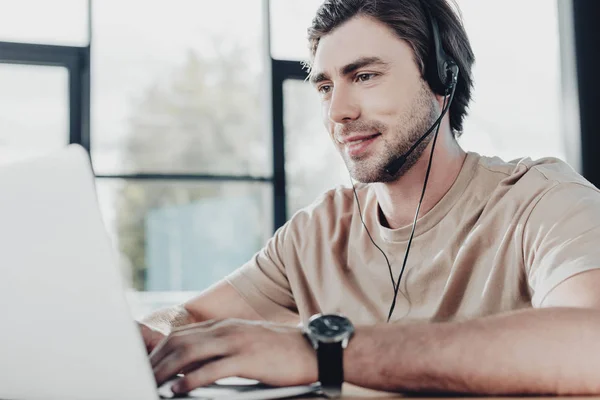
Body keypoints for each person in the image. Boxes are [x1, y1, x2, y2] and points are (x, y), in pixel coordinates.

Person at [143, 0, 600, 396]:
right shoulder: (316, 231)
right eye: (325, 87)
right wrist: (140, 340)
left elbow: (591, 344)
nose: (338, 112)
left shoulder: (542, 201)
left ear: (442, 80)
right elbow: (191, 320)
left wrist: (322, 354)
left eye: (364, 76)